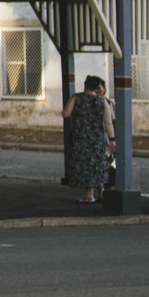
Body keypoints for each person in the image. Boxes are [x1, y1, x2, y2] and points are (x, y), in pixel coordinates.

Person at [63, 74, 116, 204]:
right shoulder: (102, 101)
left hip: (80, 137)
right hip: (97, 138)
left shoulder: (76, 97)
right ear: (97, 87)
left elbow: (66, 114)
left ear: (85, 85)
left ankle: (89, 195)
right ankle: (101, 192)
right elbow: (108, 123)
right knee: (97, 164)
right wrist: (112, 139)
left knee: (85, 165)